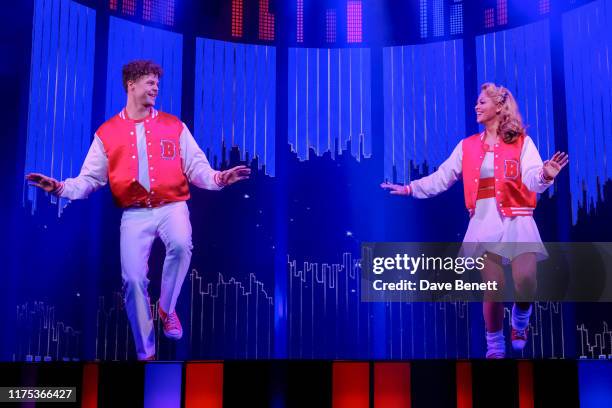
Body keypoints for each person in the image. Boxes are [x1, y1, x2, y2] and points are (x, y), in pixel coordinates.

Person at [26, 60, 251, 361]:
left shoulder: (174, 126)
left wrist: (219, 178)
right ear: (131, 84)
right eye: (149, 82)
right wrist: (60, 188)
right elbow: (90, 180)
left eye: (158, 82)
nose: (156, 87)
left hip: (173, 205)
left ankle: (167, 309)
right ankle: (146, 353)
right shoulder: (107, 133)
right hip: (134, 213)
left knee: (182, 245)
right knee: (132, 280)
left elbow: (197, 168)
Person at [381, 83, 568, 358]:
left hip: (518, 219)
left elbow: (531, 177)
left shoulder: (522, 142)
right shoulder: (467, 146)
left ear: (499, 107)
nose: (476, 106)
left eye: (482, 102)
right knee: (493, 288)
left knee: (526, 280)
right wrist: (410, 188)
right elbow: (442, 177)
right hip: (483, 221)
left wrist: (545, 175)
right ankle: (494, 345)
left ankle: (520, 320)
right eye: (477, 102)